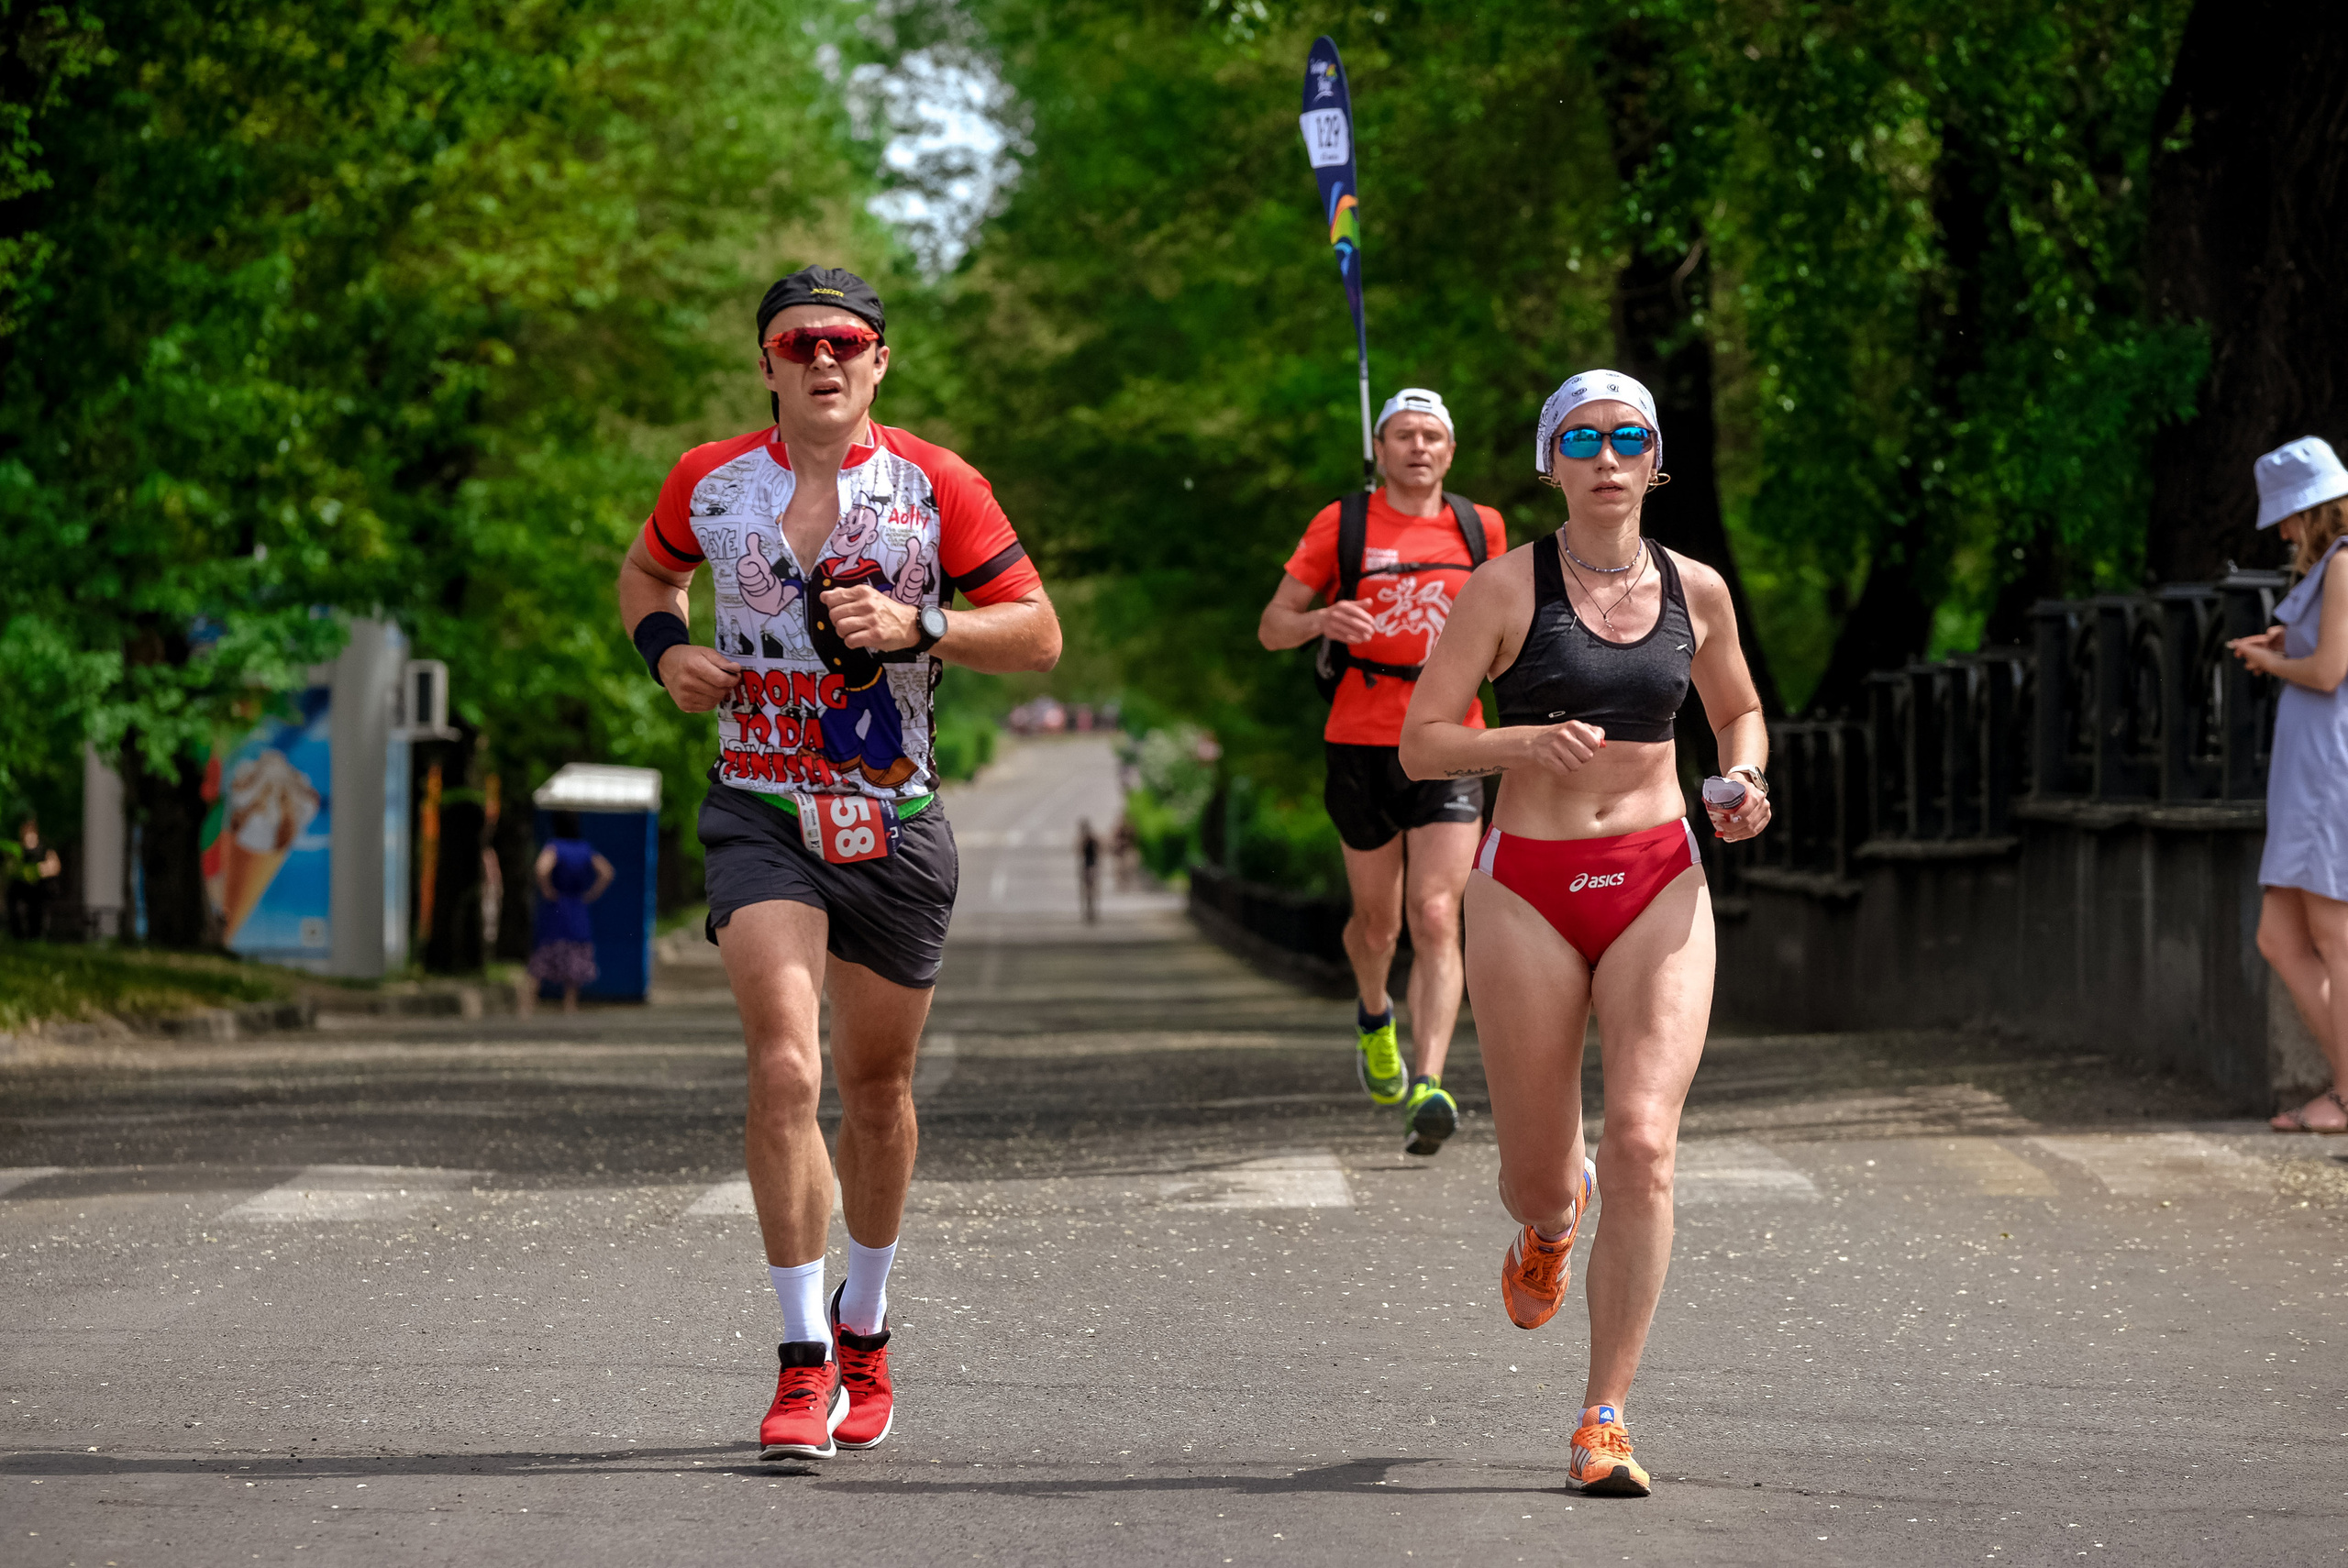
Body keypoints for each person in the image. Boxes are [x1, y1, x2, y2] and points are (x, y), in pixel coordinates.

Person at [616, 264, 1061, 1462]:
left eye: (846, 341)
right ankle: (802, 1356)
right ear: (766, 363)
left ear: (878, 361)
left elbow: (1038, 631)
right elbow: (647, 573)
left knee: (875, 1092)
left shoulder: (935, 484)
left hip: (894, 820)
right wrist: (667, 652)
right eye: (797, 341)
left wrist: (925, 624)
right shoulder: (709, 482)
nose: (823, 358)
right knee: (781, 1065)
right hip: (759, 809)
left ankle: (867, 1324)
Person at [1397, 370, 1771, 1496]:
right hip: (1525, 889)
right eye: (1581, 439)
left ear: (1654, 461)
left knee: (1644, 1146)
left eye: (1627, 438)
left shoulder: (1696, 588)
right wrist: (1519, 747)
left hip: (1659, 875)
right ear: (1550, 462)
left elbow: (1736, 705)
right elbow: (1421, 744)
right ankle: (1549, 1228)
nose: (1606, 458)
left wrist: (1743, 776)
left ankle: (1603, 1416)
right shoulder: (1503, 590)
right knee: (1537, 1176)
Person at [1257, 388, 1507, 1158]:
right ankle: (1373, 1014)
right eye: (1404, 435)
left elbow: (1515, 629)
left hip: (1452, 737)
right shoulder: (1345, 524)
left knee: (1437, 916)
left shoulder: (1480, 527)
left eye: (1432, 435)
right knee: (1379, 924)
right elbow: (1272, 628)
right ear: (1382, 448)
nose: (1419, 447)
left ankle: (1429, 1085)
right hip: (1361, 738)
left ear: (1450, 450)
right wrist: (1321, 620)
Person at [2231, 436, 2348, 1133]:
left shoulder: (2344, 565)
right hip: (2307, 774)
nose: (2282, 531)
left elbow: (2331, 674)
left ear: (2315, 508)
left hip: (2329, 772)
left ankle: (2346, 1095)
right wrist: (2282, 643)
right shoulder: (2331, 568)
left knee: (2334, 935)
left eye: (2289, 515)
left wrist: (2270, 663)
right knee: (2280, 935)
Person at [521, 812, 614, 1017]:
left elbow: (541, 868)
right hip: (577, 906)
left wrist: (547, 890)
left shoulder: (554, 847)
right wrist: (591, 893)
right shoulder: (584, 849)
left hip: (557, 905)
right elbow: (607, 871)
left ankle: (528, 1005)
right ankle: (569, 1004)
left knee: (545, 951)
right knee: (575, 953)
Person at [5, 818, 61, 941]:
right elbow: (10, 868)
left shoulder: (45, 847)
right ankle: (18, 936)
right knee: (12, 897)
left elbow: (55, 865)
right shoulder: (18, 849)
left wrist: (37, 871)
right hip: (22, 886)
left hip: (40, 886)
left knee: (37, 910)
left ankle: (36, 936)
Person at [1077, 818, 1102, 923]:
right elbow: (1079, 852)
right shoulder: (1083, 840)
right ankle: (1089, 910)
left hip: (1091, 865)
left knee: (1091, 889)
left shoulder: (1092, 839)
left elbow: (1099, 850)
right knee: (1087, 890)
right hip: (1086, 865)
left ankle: (1092, 910)